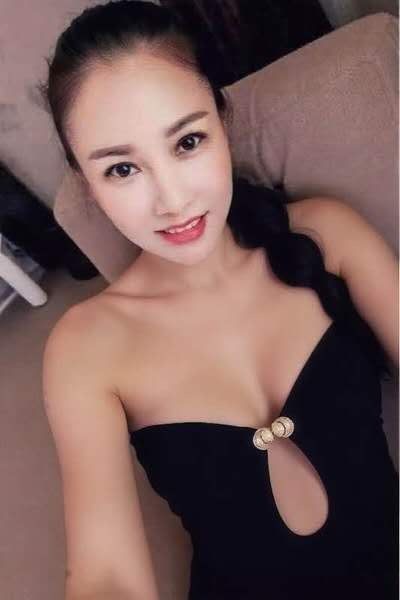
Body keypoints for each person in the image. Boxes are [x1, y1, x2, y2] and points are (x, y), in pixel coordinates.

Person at [40, 2, 399, 599]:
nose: (173, 200)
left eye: (187, 141)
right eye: (123, 169)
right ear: (87, 183)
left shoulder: (327, 235)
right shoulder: (85, 348)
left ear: (221, 124)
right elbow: (107, 577)